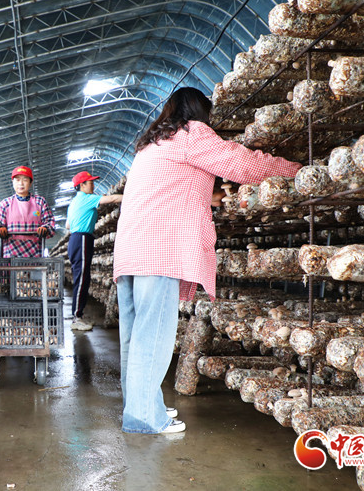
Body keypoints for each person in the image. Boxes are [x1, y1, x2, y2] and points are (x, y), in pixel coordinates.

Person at [112, 87, 301, 434]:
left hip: (130, 250)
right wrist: (295, 170)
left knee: (135, 335)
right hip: (159, 250)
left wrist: (208, 196)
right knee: (153, 335)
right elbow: (242, 164)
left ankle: (139, 405)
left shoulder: (153, 145)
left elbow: (176, 188)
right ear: (199, 112)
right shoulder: (191, 133)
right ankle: (144, 419)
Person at [66, 170, 122, 331]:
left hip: (76, 239)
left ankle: (79, 315)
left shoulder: (74, 202)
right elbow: (112, 199)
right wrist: (131, 195)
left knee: (82, 277)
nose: (93, 185)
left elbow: (68, 225)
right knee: (82, 278)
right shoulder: (86, 198)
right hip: (82, 239)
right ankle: (76, 317)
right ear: (82, 185)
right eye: (90, 182)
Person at [0, 166, 56, 257]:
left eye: (25, 180)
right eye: (17, 180)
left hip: (35, 255)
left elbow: (50, 223)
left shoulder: (40, 202)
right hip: (11, 256)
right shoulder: (5, 204)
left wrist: (45, 228)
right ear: (12, 182)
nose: (21, 183)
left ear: (30, 183)